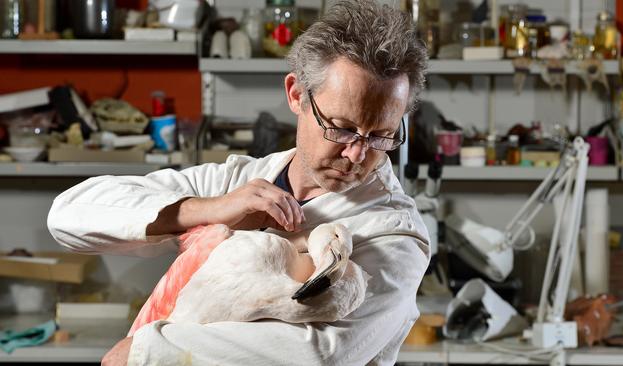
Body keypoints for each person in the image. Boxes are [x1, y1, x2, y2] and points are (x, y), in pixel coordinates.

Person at [47, 0, 431, 364]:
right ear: (297, 95)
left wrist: (148, 352)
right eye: (342, 129)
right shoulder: (237, 179)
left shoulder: (395, 234)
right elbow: (67, 216)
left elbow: (324, 354)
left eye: (381, 136)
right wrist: (206, 210)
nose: (357, 155)